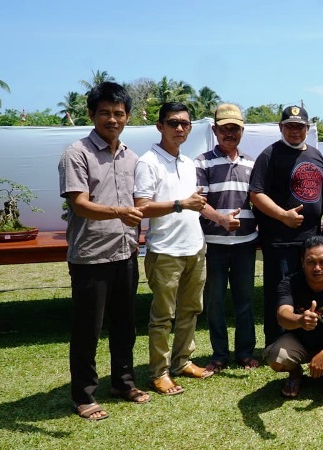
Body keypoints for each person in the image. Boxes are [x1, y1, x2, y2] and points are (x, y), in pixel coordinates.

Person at [59, 81, 149, 420]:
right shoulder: (76, 153)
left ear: (127, 117)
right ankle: (83, 395)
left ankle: (123, 383)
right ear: (91, 114)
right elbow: (80, 205)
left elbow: (141, 204)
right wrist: (119, 212)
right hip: (91, 255)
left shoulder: (132, 157)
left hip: (126, 251)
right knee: (88, 329)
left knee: (125, 324)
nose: (113, 119)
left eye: (119, 113)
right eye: (105, 113)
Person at [134, 102, 212, 396]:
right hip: (165, 251)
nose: (179, 128)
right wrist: (180, 204)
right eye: (173, 123)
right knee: (163, 316)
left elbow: (196, 204)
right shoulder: (148, 162)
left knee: (190, 310)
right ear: (159, 126)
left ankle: (182, 361)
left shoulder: (188, 163)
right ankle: (159, 371)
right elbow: (141, 208)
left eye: (184, 123)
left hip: (195, 248)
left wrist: (218, 218)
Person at [250, 105, 323, 346]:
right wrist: (282, 215)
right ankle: (276, 343)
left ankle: (305, 339)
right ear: (281, 128)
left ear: (307, 129)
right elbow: (256, 194)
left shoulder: (316, 155)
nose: (295, 131)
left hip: (311, 239)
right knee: (279, 291)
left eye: (299, 126)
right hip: (280, 239)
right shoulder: (270, 154)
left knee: (308, 291)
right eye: (290, 126)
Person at [195, 103, 259, 372]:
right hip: (214, 245)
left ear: (242, 131)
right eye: (224, 129)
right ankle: (219, 354)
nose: (229, 133)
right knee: (215, 302)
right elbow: (198, 202)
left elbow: (258, 201)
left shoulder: (252, 164)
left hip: (245, 244)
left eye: (235, 128)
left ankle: (245, 353)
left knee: (245, 301)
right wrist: (220, 219)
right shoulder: (202, 162)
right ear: (215, 130)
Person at [263, 236, 323, 398]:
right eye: (310, 262)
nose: (317, 268)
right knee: (276, 358)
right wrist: (300, 320)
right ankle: (295, 374)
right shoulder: (289, 283)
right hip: (299, 342)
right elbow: (283, 315)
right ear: (302, 262)